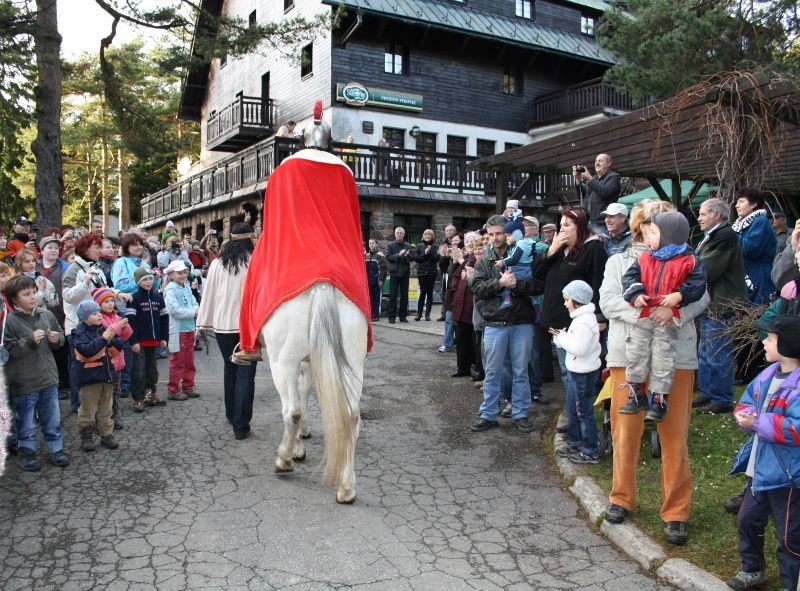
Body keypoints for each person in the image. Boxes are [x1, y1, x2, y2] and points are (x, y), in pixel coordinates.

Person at [599, 199, 709, 546]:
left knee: (674, 436)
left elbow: (702, 298)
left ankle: (676, 512)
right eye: (649, 220)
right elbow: (609, 301)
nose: (653, 227)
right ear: (640, 226)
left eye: (660, 221)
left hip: (675, 359)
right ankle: (621, 497)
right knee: (625, 432)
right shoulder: (619, 261)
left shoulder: (691, 260)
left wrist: (673, 312)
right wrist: (649, 314)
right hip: (627, 357)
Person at [727, 315, 800, 591]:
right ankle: (752, 570)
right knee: (747, 520)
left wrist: (758, 422)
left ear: (789, 345)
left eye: (769, 339)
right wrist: (744, 415)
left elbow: (796, 430)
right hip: (760, 469)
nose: (763, 342)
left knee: (789, 534)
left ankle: (791, 583)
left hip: (788, 476)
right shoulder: (767, 375)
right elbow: (746, 402)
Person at [620, 211, 707, 422]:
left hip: (667, 320)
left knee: (663, 357)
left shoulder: (690, 260)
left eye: (653, 234)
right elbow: (630, 277)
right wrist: (636, 293)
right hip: (644, 315)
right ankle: (636, 394)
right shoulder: (645, 258)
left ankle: (659, 400)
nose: (648, 238)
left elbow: (698, 285)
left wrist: (680, 295)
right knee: (636, 353)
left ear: (668, 235)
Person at [534, 207, 608, 438]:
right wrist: (551, 249)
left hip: (577, 325)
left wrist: (600, 318)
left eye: (567, 225)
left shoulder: (593, 248)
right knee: (567, 374)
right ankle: (572, 418)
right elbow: (537, 273)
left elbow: (599, 285)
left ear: (580, 227)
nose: (562, 230)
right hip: (556, 322)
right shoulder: (559, 250)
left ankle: (576, 423)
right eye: (560, 225)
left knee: (574, 375)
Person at [470, 214, 542, 434]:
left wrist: (517, 284)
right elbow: (477, 288)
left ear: (509, 232)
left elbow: (539, 285)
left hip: (522, 321)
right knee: (492, 372)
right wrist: (500, 283)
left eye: (499, 233)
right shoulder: (484, 261)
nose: (495, 238)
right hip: (494, 322)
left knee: (521, 371)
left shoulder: (527, 255)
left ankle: (520, 413)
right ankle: (489, 414)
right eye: (491, 234)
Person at [197, 223, 259, 440]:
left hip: (223, 325)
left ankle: (232, 415)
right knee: (245, 374)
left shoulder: (217, 263)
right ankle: (241, 426)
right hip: (246, 326)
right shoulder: (255, 262)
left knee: (230, 369)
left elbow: (209, 294)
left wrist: (203, 323)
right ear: (250, 240)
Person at [2, 275, 68, 470]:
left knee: (52, 419)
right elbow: (9, 350)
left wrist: (57, 339)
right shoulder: (11, 321)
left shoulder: (46, 315)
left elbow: (60, 338)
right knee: (27, 422)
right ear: (15, 299)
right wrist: (29, 341)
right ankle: (27, 452)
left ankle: (56, 449)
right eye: (26, 294)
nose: (32, 297)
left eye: (34, 292)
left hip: (48, 378)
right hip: (25, 382)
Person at [694, 198, 748, 414]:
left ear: (717, 215)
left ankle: (722, 400)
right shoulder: (715, 235)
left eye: (703, 213)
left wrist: (689, 266)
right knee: (706, 352)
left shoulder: (724, 235)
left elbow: (708, 269)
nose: (699, 217)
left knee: (718, 353)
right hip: (711, 304)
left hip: (722, 304)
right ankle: (709, 393)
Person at [551, 280, 602, 464]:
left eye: (567, 299)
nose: (564, 303)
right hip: (577, 372)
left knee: (583, 412)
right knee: (573, 408)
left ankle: (590, 450)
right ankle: (575, 441)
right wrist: (563, 336)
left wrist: (561, 338)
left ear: (577, 300)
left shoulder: (584, 322)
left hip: (583, 374)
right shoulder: (580, 319)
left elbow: (579, 349)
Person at [72, 299, 121, 452]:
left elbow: (118, 346)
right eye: (94, 313)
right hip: (89, 378)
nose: (99, 315)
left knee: (106, 408)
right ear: (84, 318)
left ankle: (106, 434)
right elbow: (87, 350)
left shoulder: (103, 329)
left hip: (106, 376)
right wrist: (104, 339)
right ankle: (86, 436)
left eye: (99, 312)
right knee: (88, 409)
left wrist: (113, 339)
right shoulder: (79, 333)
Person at [125, 267, 168, 410]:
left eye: (150, 278)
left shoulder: (158, 298)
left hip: (154, 340)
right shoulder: (134, 298)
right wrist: (134, 341)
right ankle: (138, 399)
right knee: (139, 371)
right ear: (138, 282)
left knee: (152, 371)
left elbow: (164, 319)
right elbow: (131, 322)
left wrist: (164, 337)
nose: (148, 282)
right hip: (140, 342)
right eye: (144, 280)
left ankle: (150, 396)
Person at [93, 288, 133, 431]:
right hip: (105, 362)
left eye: (112, 301)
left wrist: (125, 326)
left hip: (117, 362)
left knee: (115, 394)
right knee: (103, 395)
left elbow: (125, 336)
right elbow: (106, 334)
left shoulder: (116, 316)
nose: (110, 304)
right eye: (106, 301)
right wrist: (118, 326)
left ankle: (114, 417)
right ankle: (101, 421)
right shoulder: (98, 319)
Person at [733, 187, 776, 304]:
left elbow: (750, 249)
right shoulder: (741, 224)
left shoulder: (761, 221)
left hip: (759, 273)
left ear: (754, 204)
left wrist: (733, 236)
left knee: (758, 313)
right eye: (737, 202)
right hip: (747, 271)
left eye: (741, 201)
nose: (736, 205)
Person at [164, 259, 200, 401]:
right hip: (179, 331)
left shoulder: (185, 286)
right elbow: (174, 311)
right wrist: (194, 311)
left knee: (189, 360)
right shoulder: (170, 289)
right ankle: (174, 389)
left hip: (189, 328)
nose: (183, 275)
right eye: (179, 273)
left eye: (184, 272)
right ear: (171, 274)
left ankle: (188, 386)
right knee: (178, 360)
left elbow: (193, 302)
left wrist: (194, 309)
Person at [573, 154, 622, 235]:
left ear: (609, 163)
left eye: (600, 161)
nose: (597, 163)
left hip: (602, 222)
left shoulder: (613, 177)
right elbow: (582, 196)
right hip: (589, 221)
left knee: (600, 245)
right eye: (596, 161)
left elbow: (604, 192)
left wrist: (589, 178)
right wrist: (578, 180)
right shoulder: (594, 178)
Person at [495, 215, 534, 309]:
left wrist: (502, 262)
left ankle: (507, 299)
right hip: (525, 269)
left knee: (507, 280)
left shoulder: (521, 244)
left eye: (509, 235)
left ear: (518, 234)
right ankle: (535, 305)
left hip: (520, 269)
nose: (507, 238)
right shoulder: (525, 242)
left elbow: (514, 259)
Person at [448, 240, 476, 377]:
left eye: (474, 246)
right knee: (461, 339)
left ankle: (474, 368)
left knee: (473, 340)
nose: (472, 249)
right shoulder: (465, 262)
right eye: (470, 246)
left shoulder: (482, 261)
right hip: (461, 306)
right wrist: (455, 290)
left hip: (473, 307)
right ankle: (462, 368)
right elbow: (455, 277)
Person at [412, 228, 440, 321]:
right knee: (422, 293)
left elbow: (436, 258)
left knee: (429, 293)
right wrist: (425, 253)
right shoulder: (419, 246)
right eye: (426, 234)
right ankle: (419, 314)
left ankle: (427, 314)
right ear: (423, 236)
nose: (427, 236)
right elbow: (417, 259)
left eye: (429, 235)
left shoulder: (435, 246)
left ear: (432, 236)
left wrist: (430, 253)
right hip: (422, 272)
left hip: (432, 272)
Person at [385, 226, 412, 324]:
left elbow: (412, 258)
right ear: (395, 234)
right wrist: (399, 255)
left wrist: (408, 256)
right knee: (393, 296)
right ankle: (391, 317)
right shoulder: (390, 245)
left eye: (401, 233)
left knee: (404, 296)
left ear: (404, 234)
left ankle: (403, 317)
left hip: (405, 274)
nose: (399, 234)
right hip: (394, 274)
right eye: (397, 233)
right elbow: (388, 256)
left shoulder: (408, 245)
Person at [437, 224, 457, 321]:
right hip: (445, 271)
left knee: (451, 291)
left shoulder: (457, 241)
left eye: (450, 230)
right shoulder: (443, 243)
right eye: (447, 231)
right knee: (444, 292)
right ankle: (444, 313)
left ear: (454, 231)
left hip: (455, 270)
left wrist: (448, 255)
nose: (448, 232)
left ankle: (450, 312)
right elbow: (441, 259)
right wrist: (443, 255)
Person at [365, 239, 387, 321]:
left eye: (373, 243)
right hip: (368, 281)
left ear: (376, 244)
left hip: (377, 281)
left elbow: (383, 269)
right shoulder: (366, 255)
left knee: (377, 298)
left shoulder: (380, 255)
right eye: (370, 243)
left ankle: (376, 315)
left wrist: (381, 280)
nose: (371, 245)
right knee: (369, 298)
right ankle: (370, 314)